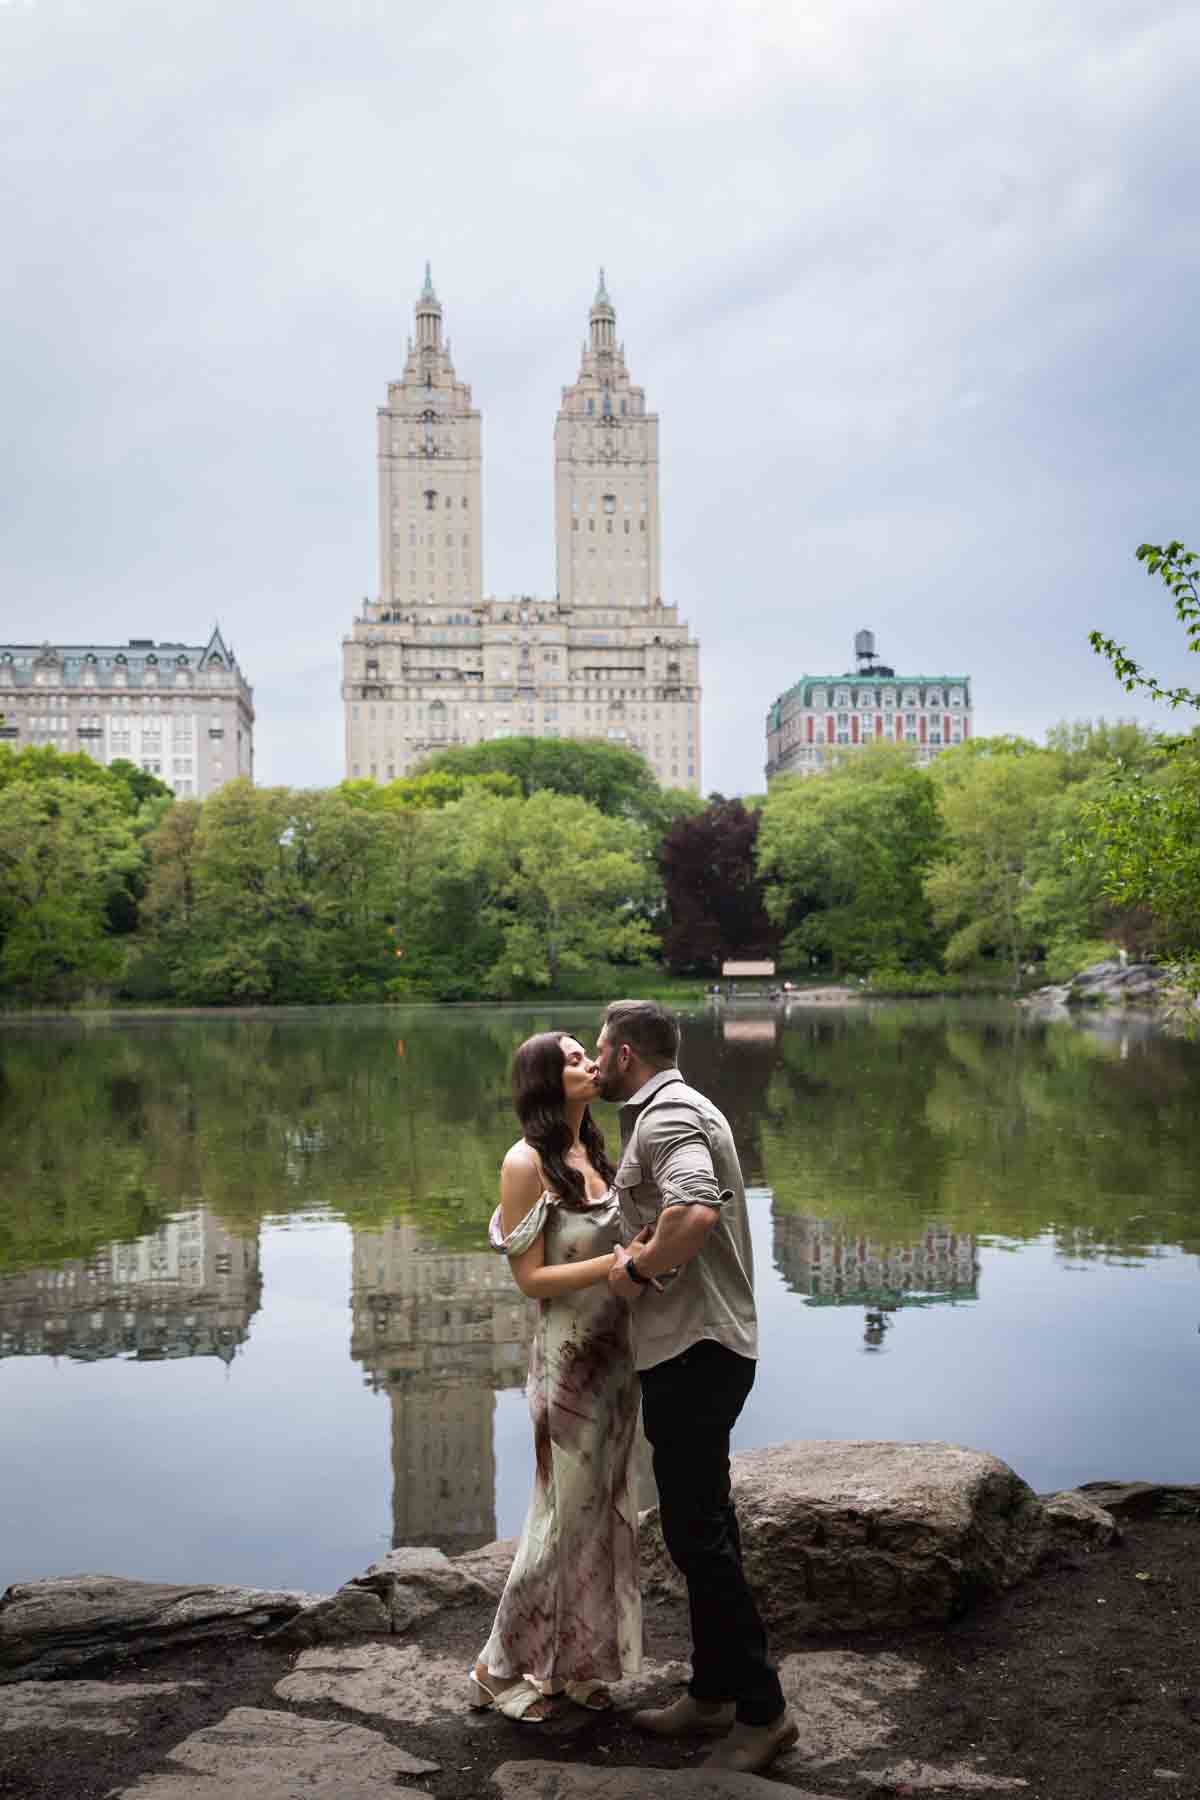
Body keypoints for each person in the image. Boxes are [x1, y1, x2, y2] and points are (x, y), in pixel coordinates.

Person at [594, 999, 798, 1775]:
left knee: (696, 1538)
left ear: (623, 1056)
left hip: (696, 1348)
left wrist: (633, 1269)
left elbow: (695, 1210)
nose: (598, 1059)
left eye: (602, 1048)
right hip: (698, 1346)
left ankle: (764, 1711)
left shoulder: (667, 1116)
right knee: (703, 1523)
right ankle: (711, 1693)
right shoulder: (671, 1106)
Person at [469, 1031, 644, 1722]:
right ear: (544, 1080)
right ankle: (497, 1665)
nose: (592, 1064)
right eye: (574, 1060)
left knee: (603, 1509)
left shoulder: (594, 1152)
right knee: (558, 1517)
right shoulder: (524, 1163)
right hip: (568, 1363)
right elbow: (531, 1278)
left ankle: (572, 1667)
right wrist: (614, 1266)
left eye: (587, 1054)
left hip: (618, 1356)